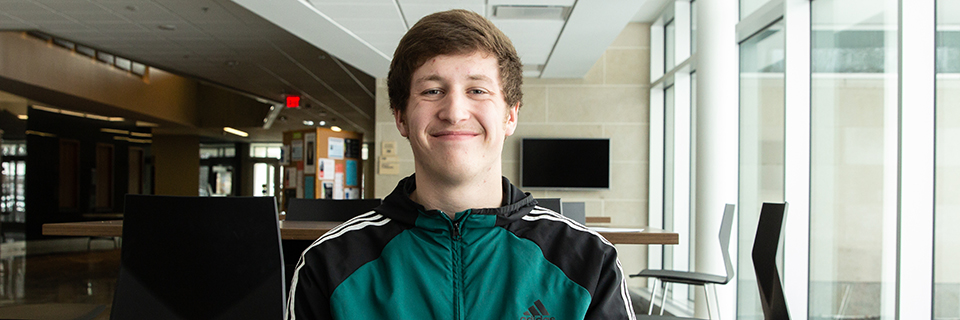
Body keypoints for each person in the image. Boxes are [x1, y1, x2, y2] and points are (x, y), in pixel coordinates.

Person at [286, 9, 636, 320]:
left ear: (510, 115)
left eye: (477, 90)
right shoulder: (329, 264)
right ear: (401, 117)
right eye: (432, 91)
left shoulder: (589, 261)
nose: (454, 112)